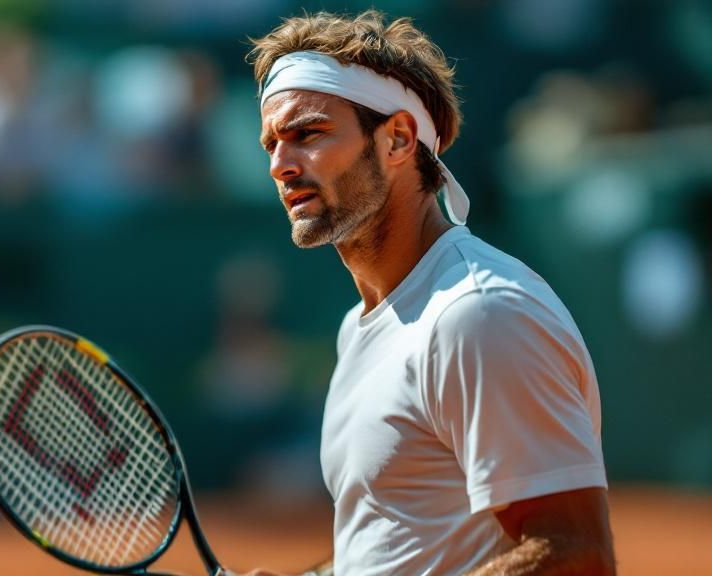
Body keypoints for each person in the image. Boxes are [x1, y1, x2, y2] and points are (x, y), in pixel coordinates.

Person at [242, 11, 614, 576]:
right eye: (271, 143)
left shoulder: (479, 314)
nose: (279, 166)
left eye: (307, 135)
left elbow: (575, 554)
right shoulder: (361, 326)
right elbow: (403, 542)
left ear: (397, 139)